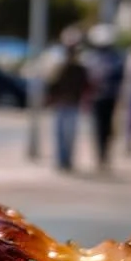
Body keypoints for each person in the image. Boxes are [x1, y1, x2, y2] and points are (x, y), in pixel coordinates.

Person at [83, 24, 124, 171]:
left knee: (108, 127)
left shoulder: (116, 58)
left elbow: (120, 78)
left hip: (110, 97)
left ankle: (105, 153)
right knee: (99, 127)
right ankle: (100, 155)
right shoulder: (90, 58)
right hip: (97, 98)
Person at [47, 39, 90, 171]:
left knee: (69, 135)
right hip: (62, 104)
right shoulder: (59, 67)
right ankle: (61, 160)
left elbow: (85, 86)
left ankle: (67, 160)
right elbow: (52, 85)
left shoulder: (80, 69)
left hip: (73, 105)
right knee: (60, 134)